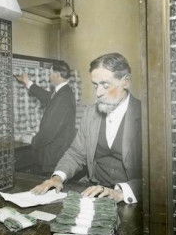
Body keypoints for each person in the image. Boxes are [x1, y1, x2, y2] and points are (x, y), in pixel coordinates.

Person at [31, 53, 142, 204]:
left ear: (126, 82)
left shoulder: (146, 116)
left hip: (130, 199)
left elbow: (160, 175)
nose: (98, 93)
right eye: (96, 85)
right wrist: (57, 177)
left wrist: (121, 192)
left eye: (105, 85)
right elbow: (76, 153)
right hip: (93, 191)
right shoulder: (91, 113)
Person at [15, 61, 76, 174]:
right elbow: (46, 97)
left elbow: (49, 130)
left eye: (50, 73)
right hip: (58, 152)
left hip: (55, 155)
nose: (49, 76)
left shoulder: (63, 97)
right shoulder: (63, 92)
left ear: (57, 75)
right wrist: (27, 82)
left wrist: (33, 140)